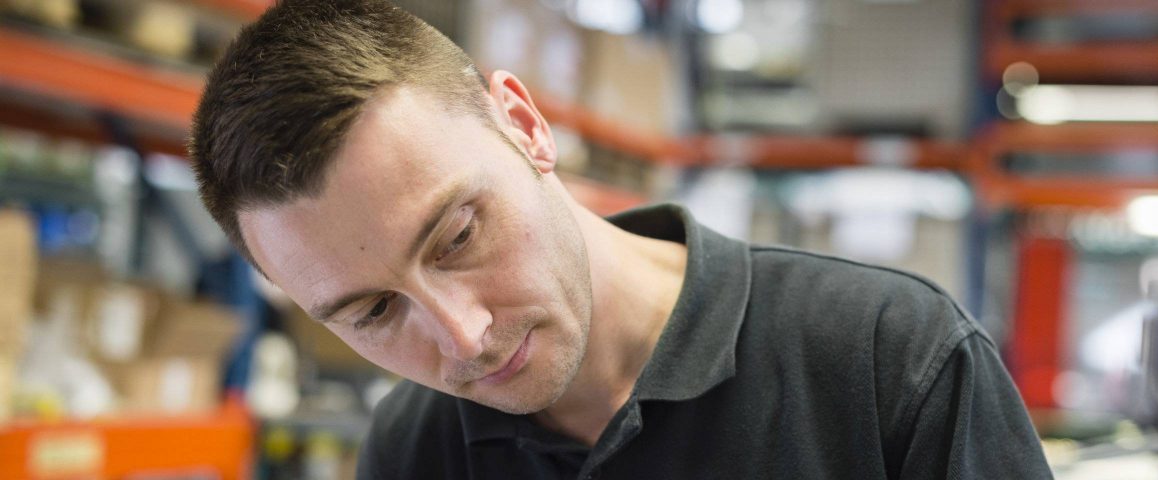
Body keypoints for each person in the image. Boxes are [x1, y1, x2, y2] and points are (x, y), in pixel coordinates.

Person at [189, 1, 1054, 478]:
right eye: (374, 311)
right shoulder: (417, 451)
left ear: (525, 127)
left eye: (456, 236)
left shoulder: (889, 364)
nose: (462, 336)